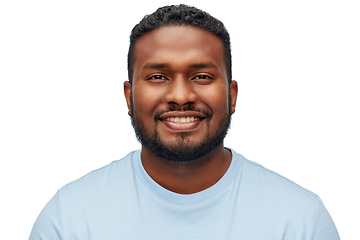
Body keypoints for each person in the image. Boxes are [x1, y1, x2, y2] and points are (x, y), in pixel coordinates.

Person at [29, 4, 340, 240]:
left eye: (202, 76)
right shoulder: (68, 220)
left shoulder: (301, 222)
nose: (180, 95)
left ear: (232, 96)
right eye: (158, 77)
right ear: (129, 97)